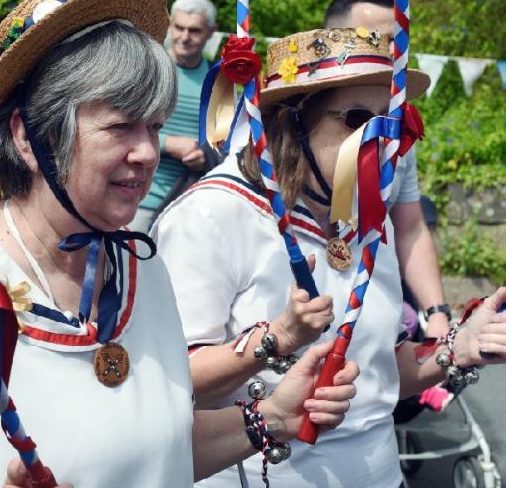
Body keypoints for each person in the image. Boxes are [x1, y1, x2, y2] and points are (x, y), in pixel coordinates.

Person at [0, 0, 359, 487]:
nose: (147, 153)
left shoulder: (140, 268)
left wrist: (272, 418)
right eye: (121, 127)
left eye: (155, 127)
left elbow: (155, 452)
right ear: (29, 137)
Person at [154, 27, 506, 487]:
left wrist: (455, 350)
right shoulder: (211, 214)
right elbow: (172, 383)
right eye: (358, 118)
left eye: (391, 120)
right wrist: (275, 339)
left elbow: (381, 377)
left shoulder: (367, 220)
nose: (380, 139)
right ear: (290, 123)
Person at [324, 0, 449, 339]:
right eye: (375, 40)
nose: (390, 53)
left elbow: (409, 226)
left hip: (376, 307)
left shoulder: (397, 132)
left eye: (397, 43)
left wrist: (436, 313)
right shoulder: (288, 134)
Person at [130, 0, 217, 232]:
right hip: (137, 199)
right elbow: (119, 121)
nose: (184, 37)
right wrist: (167, 143)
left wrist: (205, 155)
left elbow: (226, 143)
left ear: (211, 32)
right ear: (169, 24)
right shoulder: (146, 68)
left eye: (195, 30)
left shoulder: (217, 82)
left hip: (189, 205)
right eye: (179, 28)